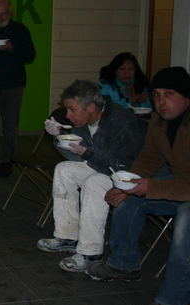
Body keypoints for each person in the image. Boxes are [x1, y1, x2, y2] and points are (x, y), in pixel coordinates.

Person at [86, 66, 190, 305]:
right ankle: (123, 264)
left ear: (186, 97)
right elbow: (149, 158)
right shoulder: (159, 121)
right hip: (179, 184)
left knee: (186, 216)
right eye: (156, 95)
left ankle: (173, 298)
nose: (161, 102)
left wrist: (149, 187)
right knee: (130, 199)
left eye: (169, 94)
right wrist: (126, 186)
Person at [37, 80, 147, 272]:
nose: (68, 116)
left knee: (94, 182)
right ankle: (68, 236)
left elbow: (122, 165)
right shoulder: (85, 119)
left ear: (91, 107)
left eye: (72, 110)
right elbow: (78, 156)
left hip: (126, 175)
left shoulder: (121, 121)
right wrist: (59, 137)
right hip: (101, 165)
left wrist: (86, 154)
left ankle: (91, 252)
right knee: (64, 169)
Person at [0, 0, 36, 177]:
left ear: (9, 12)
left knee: (10, 126)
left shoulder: (20, 29)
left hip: (13, 86)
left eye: (2, 14)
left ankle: (8, 159)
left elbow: (30, 55)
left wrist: (12, 48)